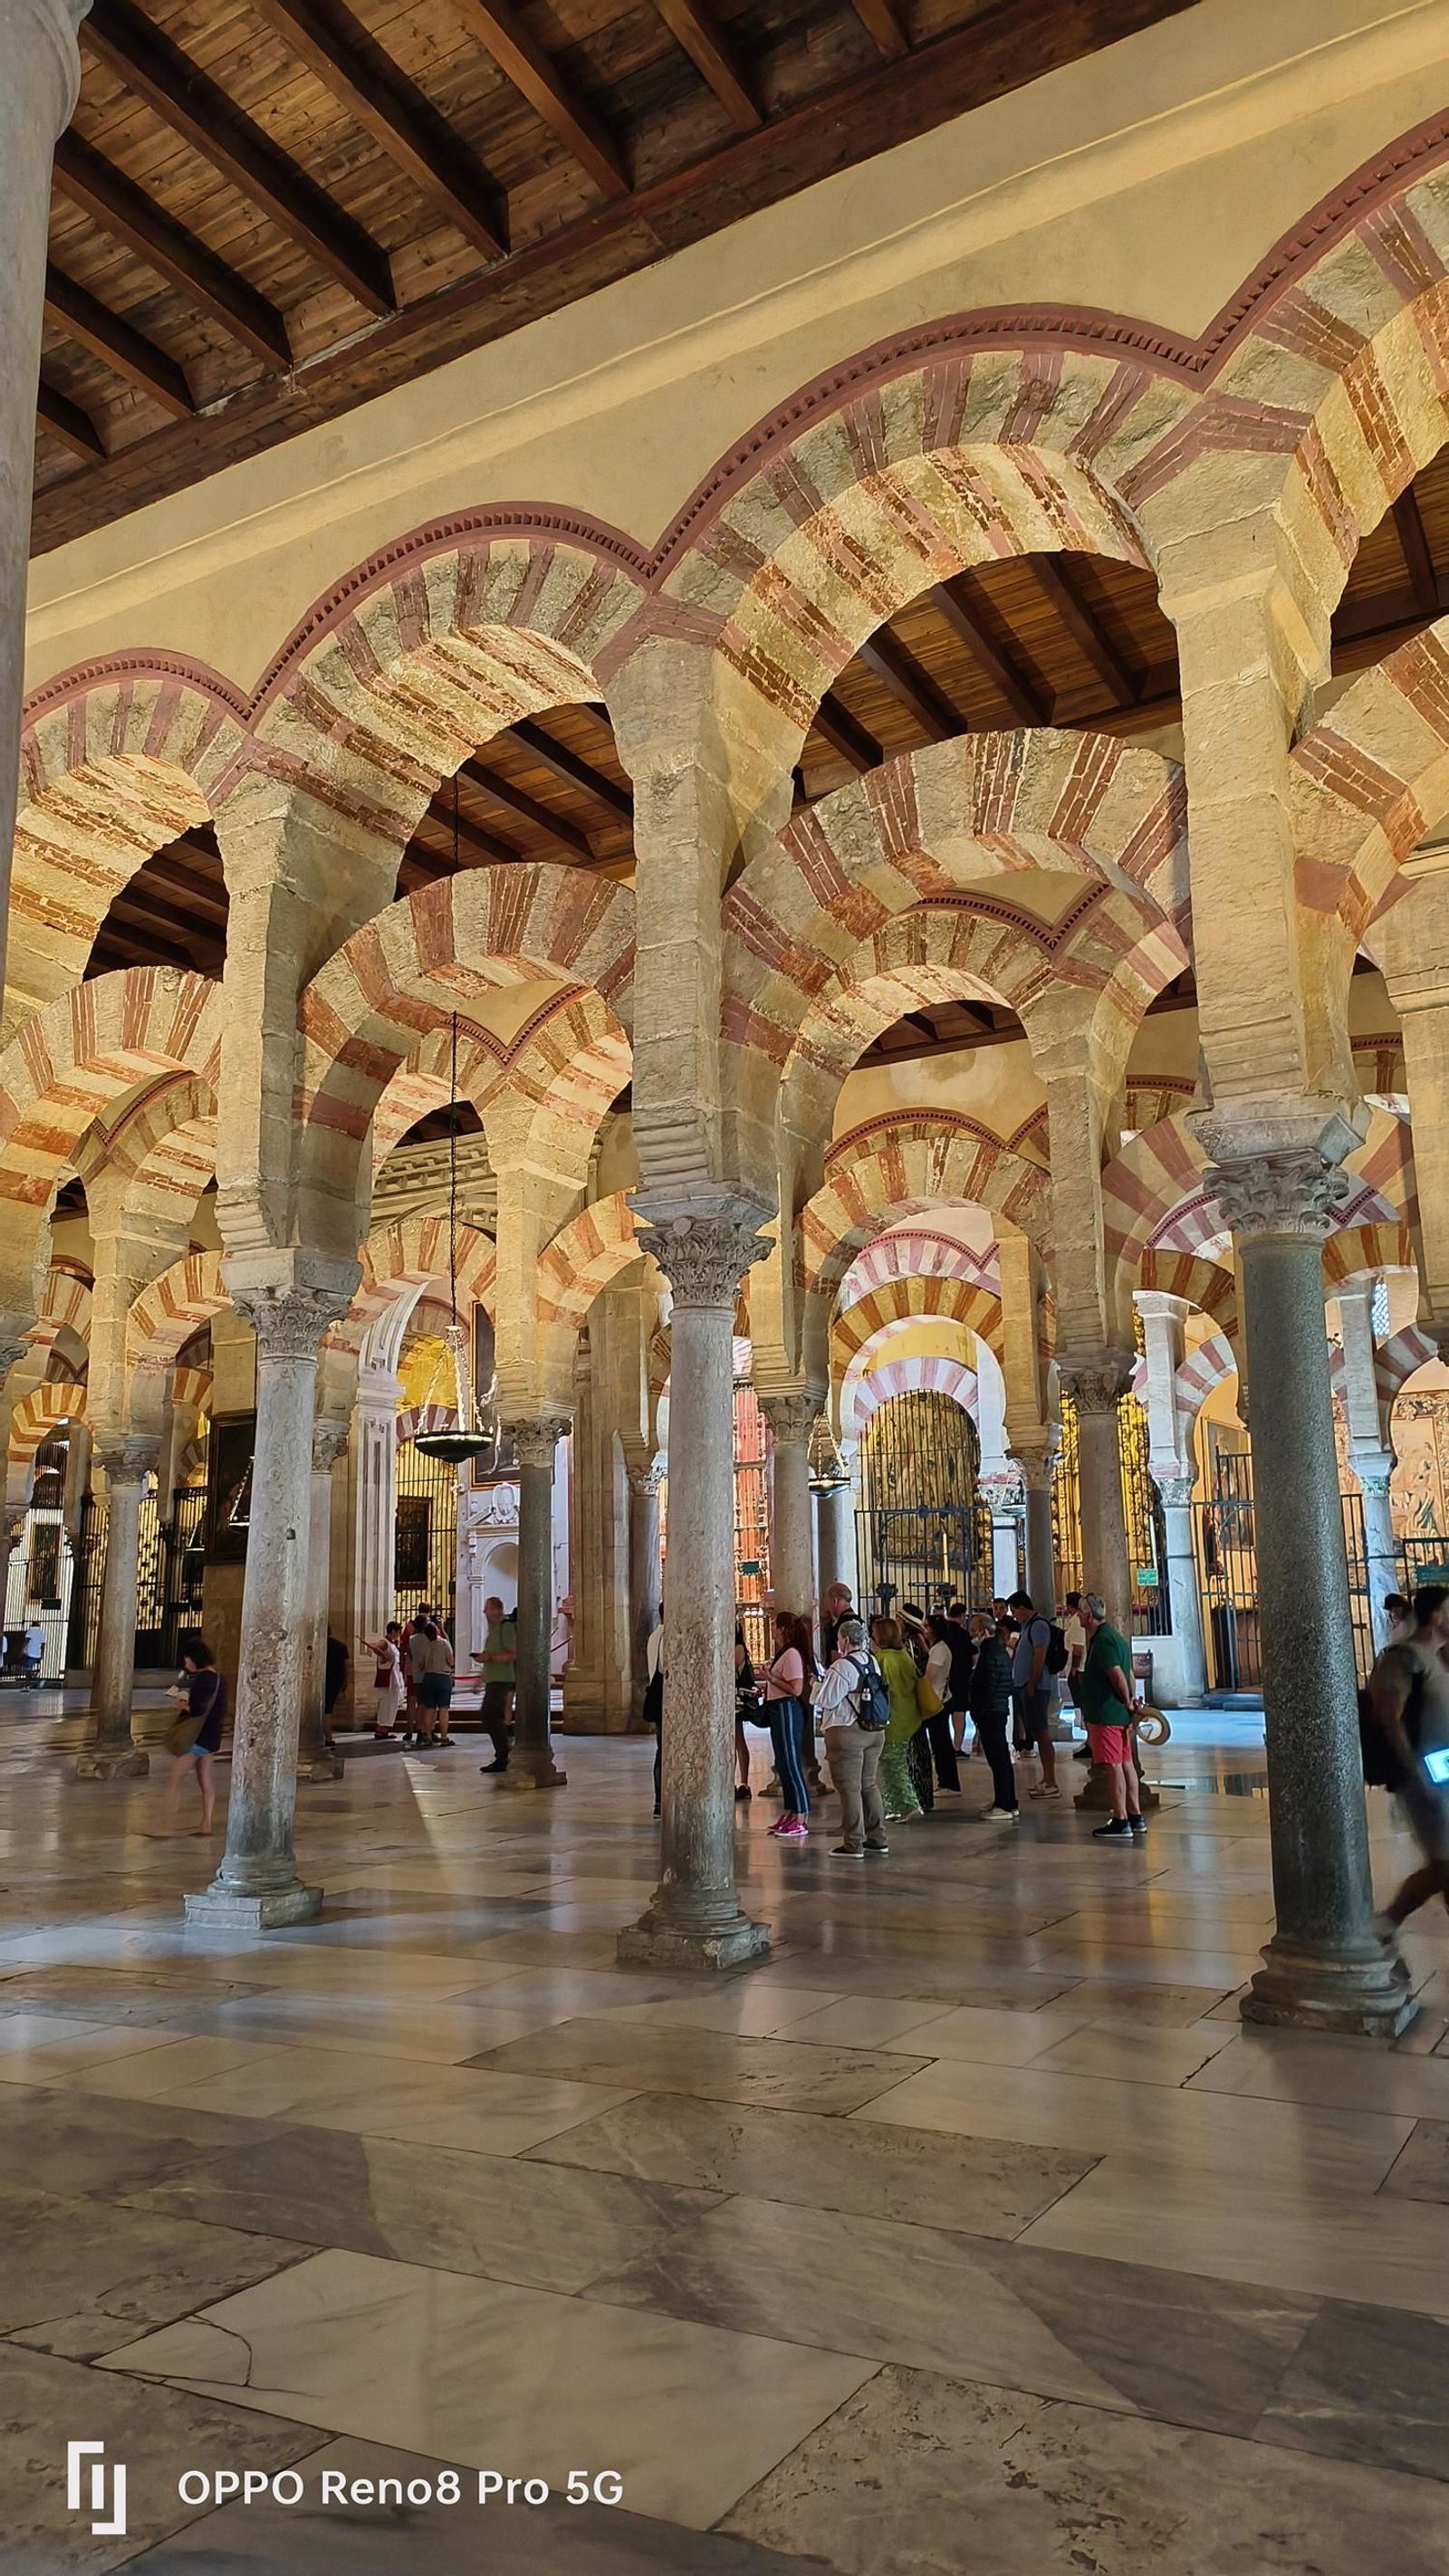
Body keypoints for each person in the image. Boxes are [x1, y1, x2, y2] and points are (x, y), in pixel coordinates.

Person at [1371, 1585, 1449, 1929]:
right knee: (1444, 1865)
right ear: (1436, 1615)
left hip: (1443, 1774)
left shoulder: (1441, 1657)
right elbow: (1390, 1719)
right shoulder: (1403, 1658)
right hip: (1424, 1779)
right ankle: (1386, 1923)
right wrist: (1415, 1774)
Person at [815, 1614, 888, 1857]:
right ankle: (878, 1838)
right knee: (869, 1785)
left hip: (847, 1732)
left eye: (839, 1638)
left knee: (849, 1788)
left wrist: (815, 1685)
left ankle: (853, 1842)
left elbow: (826, 1700)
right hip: (874, 1731)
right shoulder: (872, 1661)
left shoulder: (842, 1666)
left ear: (845, 1640)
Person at [1080, 1591, 1144, 1841]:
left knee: (1113, 1765)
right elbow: (1129, 1675)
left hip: (1107, 1713)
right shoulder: (1115, 1637)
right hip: (1117, 1712)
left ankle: (1120, 1818)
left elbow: (1117, 1675)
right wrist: (1130, 1701)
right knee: (1126, 1763)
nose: (1077, 1618)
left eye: (1079, 1614)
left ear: (1088, 1615)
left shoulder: (1103, 1640)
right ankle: (1135, 1815)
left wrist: (1127, 1700)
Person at [158, 1639, 225, 1837]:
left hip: (197, 1738)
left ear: (195, 1658)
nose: (185, 1663)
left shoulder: (203, 1679)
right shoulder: (218, 1678)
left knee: (172, 1780)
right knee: (205, 1781)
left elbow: (196, 1710)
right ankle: (206, 1823)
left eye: (187, 1659)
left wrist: (180, 1704)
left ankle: (165, 1825)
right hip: (211, 1736)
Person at [763, 1609, 811, 1837]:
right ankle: (791, 1811)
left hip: (787, 1710)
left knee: (791, 1762)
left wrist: (771, 1679)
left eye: (774, 1625)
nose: (772, 1630)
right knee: (783, 1763)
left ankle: (801, 1814)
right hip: (778, 1709)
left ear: (783, 1629)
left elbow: (796, 1688)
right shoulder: (784, 1651)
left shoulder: (792, 1653)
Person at [870, 1614, 923, 1821]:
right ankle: (893, 1805)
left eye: (874, 1633)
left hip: (892, 1719)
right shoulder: (904, 1656)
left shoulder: (882, 1659)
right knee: (890, 1762)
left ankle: (910, 1805)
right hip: (908, 1715)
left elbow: (881, 1690)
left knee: (893, 1765)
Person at [1008, 1587, 1058, 1797]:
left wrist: (1031, 1683)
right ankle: (1046, 1779)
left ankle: (1051, 1781)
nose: (1013, 1615)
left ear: (1022, 1607)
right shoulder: (1027, 1626)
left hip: (1036, 1687)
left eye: (1014, 1611)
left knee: (1040, 1731)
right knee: (1036, 1730)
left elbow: (1039, 1656)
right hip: (1026, 1686)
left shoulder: (1038, 1626)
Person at [968, 1615, 1018, 1818]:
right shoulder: (1000, 1650)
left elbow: (987, 1685)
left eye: (973, 1630)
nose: (971, 1634)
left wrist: (978, 1711)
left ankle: (1005, 1805)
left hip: (991, 1711)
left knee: (998, 1759)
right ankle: (1006, 1800)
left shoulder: (989, 1652)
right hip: (999, 1708)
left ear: (983, 1631)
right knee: (1001, 1759)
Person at [921, 1614, 963, 1793]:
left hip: (938, 1700)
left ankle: (948, 1782)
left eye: (927, 1626)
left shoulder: (939, 1650)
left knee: (941, 1744)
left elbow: (929, 1677)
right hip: (938, 1699)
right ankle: (946, 1781)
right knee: (940, 1742)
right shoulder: (936, 1647)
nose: (924, 1629)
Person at [477, 1595, 517, 1775]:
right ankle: (503, 1752)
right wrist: (481, 1677)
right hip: (493, 1679)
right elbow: (489, 1655)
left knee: (490, 1714)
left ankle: (503, 1755)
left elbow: (512, 1653)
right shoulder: (493, 1629)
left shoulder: (505, 1627)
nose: (484, 1612)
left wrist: (490, 1658)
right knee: (489, 1714)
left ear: (496, 1610)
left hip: (502, 1679)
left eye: (487, 1608)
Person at [410, 1617, 455, 1748]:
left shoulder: (426, 1646)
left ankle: (428, 1737)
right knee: (443, 1709)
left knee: (429, 1709)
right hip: (442, 1677)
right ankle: (444, 1737)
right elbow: (450, 1661)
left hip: (428, 1678)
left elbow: (422, 1665)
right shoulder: (445, 1643)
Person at [363, 1622, 405, 1737]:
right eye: (397, 1632)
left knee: (391, 1703)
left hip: (394, 1676)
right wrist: (384, 1655)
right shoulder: (385, 1642)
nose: (398, 1635)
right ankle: (381, 1728)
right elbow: (376, 1647)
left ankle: (384, 1728)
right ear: (392, 1631)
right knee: (386, 1703)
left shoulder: (392, 1644)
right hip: (388, 1677)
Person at [945, 1601, 976, 1753]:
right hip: (960, 1677)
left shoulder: (942, 1631)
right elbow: (974, 1655)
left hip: (943, 1676)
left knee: (943, 1711)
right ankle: (957, 1746)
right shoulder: (963, 1634)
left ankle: (943, 1746)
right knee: (959, 1712)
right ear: (963, 1616)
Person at [644, 1607, 664, 1814]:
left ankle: (659, 1800)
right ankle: (661, 1799)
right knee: (665, 1750)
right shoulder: (667, 1637)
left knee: (661, 1748)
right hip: (665, 1698)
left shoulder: (653, 1636)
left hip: (656, 1697)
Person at [734, 1622, 757, 1799]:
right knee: (735, 1742)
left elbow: (728, 1670)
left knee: (738, 1742)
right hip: (732, 1702)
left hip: (736, 1703)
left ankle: (744, 1782)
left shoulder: (738, 1648)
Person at [322, 1632, 349, 1746]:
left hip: (323, 1679)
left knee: (326, 1710)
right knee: (328, 1709)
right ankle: (328, 1736)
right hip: (337, 1680)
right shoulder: (341, 1646)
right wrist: (345, 1683)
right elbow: (346, 1666)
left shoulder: (321, 1646)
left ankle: (328, 1738)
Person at [820, 1582, 855, 1666]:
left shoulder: (840, 1627)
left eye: (828, 1602)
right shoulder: (860, 1622)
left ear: (834, 1601)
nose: (827, 1607)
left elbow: (836, 1660)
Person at [21, 1618, 44, 1684]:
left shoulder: (30, 1631)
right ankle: (35, 1680)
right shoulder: (41, 1632)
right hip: (37, 1653)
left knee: (27, 1669)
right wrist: (42, 1654)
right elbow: (43, 1644)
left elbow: (27, 1641)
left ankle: (30, 1683)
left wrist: (23, 1649)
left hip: (30, 1653)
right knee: (29, 1668)